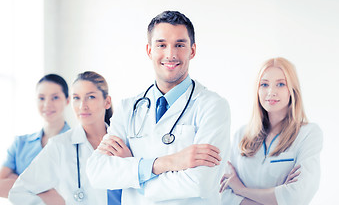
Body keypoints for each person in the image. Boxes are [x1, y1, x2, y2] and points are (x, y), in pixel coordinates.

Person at [86, 11, 231, 205]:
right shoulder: (128, 108)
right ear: (149, 50)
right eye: (161, 45)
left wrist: (135, 175)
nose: (170, 54)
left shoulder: (213, 106)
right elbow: (98, 172)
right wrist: (168, 163)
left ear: (192, 51)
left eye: (179, 45)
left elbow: (201, 183)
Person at [219, 57, 323, 205]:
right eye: (264, 84)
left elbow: (298, 196)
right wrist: (278, 196)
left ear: (292, 90)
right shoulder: (241, 135)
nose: (271, 92)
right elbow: (222, 193)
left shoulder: (308, 134)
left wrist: (241, 190)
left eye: (281, 84)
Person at [9, 71, 122, 205]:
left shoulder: (123, 140)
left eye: (90, 97)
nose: (82, 106)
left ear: (107, 102)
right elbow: (18, 192)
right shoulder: (59, 146)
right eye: (76, 98)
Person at [0, 74, 70, 200]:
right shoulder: (20, 143)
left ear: (67, 100)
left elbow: (65, 199)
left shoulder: (77, 144)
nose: (47, 104)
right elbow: (1, 186)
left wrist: (19, 185)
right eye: (41, 98)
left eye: (55, 97)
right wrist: (48, 192)